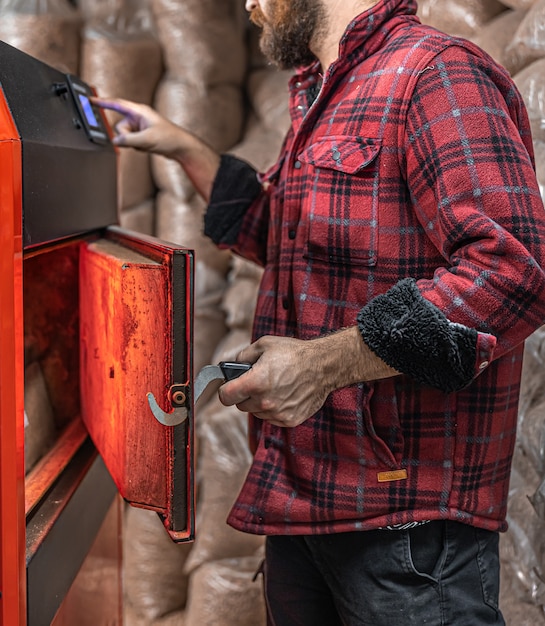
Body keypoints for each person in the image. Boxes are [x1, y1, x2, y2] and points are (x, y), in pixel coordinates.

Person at [94, 0, 545, 624]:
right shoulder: (326, 94)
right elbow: (288, 236)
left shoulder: (436, 74)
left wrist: (322, 365)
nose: (250, 5)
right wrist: (180, 147)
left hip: (403, 530)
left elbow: (514, 272)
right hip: (305, 499)